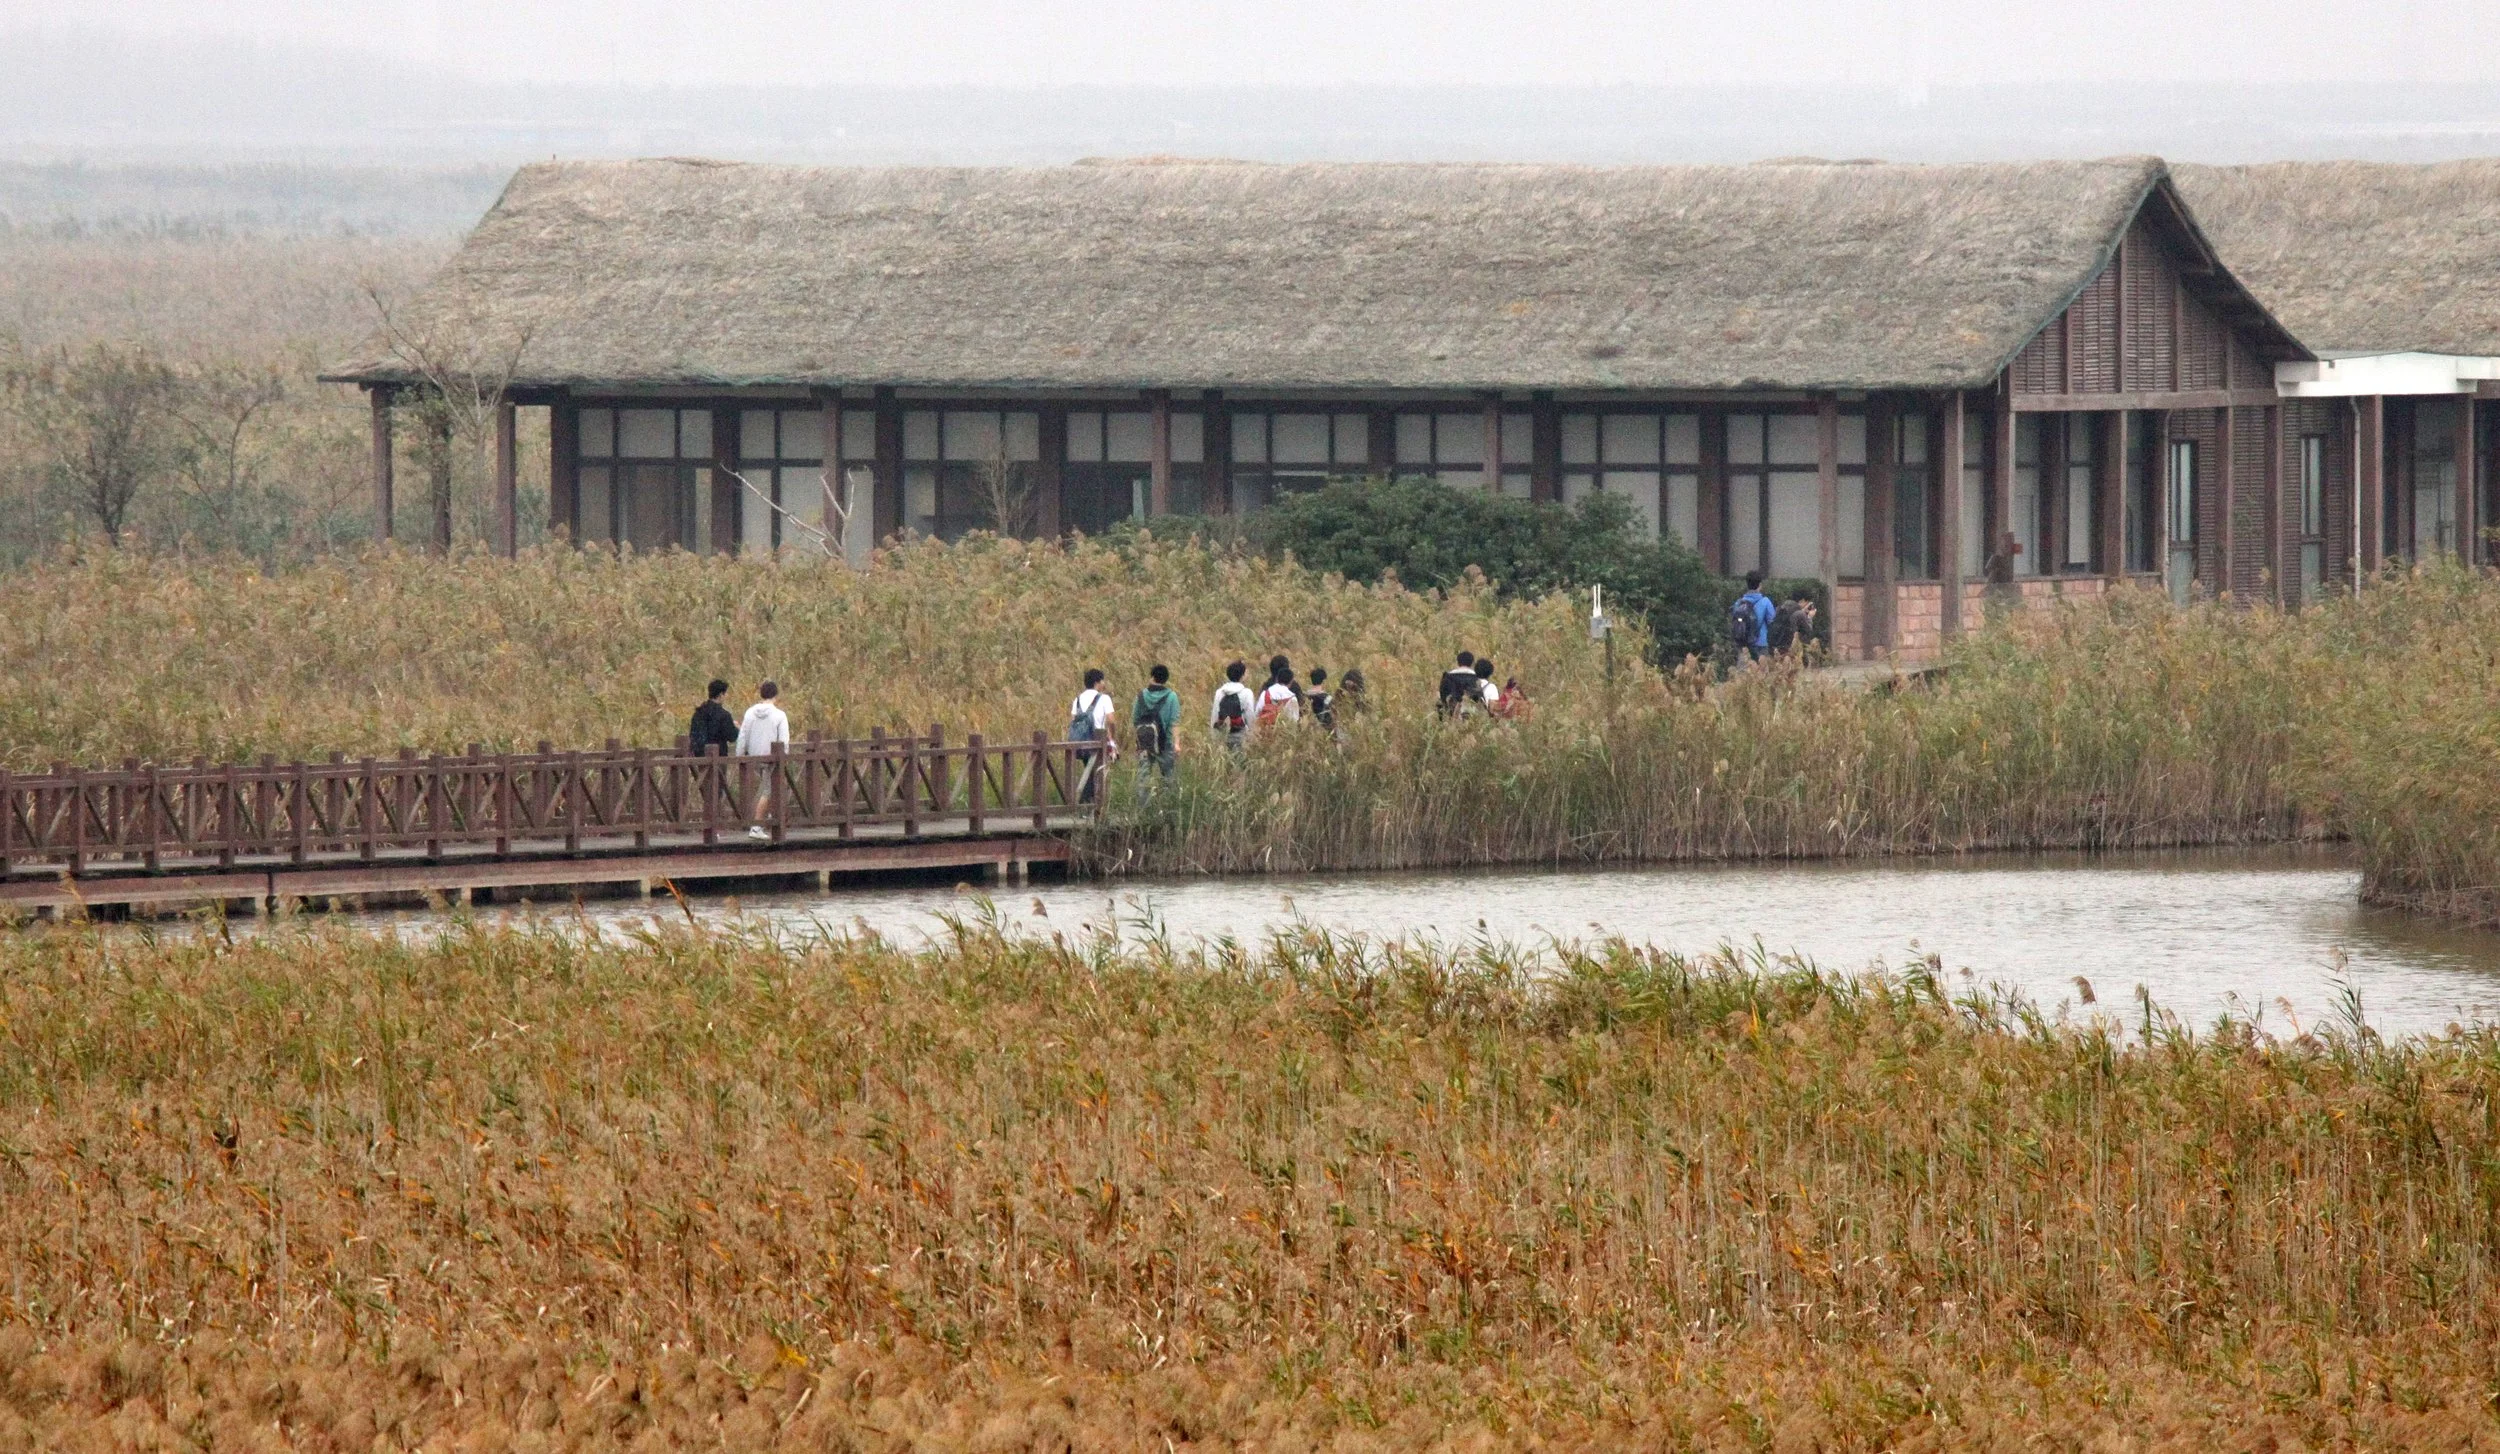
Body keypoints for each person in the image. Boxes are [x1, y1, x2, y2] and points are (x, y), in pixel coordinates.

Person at [735, 680, 790, 839]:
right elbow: (783, 741)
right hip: (772, 758)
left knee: (770, 788)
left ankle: (771, 818)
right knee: (769, 789)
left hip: (754, 756)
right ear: (775, 695)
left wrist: (740, 755)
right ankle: (757, 826)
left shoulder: (750, 713)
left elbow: (743, 735)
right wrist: (783, 757)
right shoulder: (779, 715)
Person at [1069, 668, 1116, 804]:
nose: (1104, 683)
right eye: (1102, 681)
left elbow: (1073, 720)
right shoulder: (1104, 698)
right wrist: (1112, 738)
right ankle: (1091, 805)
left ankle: (1087, 803)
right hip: (1097, 740)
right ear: (1097, 682)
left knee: (1089, 771)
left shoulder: (1077, 699)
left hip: (1080, 741)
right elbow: (1111, 720)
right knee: (1098, 773)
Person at [1130, 663, 1180, 788]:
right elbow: (1175, 722)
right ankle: (1168, 804)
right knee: (1168, 777)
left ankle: (1143, 805)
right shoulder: (1172, 696)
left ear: (1152, 677)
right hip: (1165, 743)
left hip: (1145, 743)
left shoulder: (1141, 696)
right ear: (1166, 679)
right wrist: (1177, 743)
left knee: (1143, 776)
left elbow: (1135, 719)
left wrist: (1141, 736)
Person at [1729, 571, 1776, 662]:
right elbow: (1772, 622)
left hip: (1743, 643)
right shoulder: (1765, 602)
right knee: (1762, 673)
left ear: (1747, 584)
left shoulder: (1739, 603)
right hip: (1761, 643)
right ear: (1760, 585)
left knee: (1744, 672)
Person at [1210, 659, 1255, 752]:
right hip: (1240, 734)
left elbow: (1215, 713)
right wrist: (1252, 734)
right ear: (1242, 676)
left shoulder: (1220, 692)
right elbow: (1250, 715)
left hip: (1223, 734)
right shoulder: (1247, 693)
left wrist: (1214, 735)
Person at [689, 678, 738, 757]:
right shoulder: (724, 715)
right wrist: (736, 727)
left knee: (702, 769)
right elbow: (732, 737)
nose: (726, 696)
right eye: (725, 694)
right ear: (720, 695)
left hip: (699, 758)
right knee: (718, 769)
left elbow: (693, 735)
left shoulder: (698, 713)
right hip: (719, 757)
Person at [1252, 659, 1301, 736]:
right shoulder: (1292, 698)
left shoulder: (1265, 693)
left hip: (1266, 733)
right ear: (1291, 681)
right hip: (1283, 735)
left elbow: (1257, 713)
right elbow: (1294, 720)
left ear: (1277, 679)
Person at [1437, 651, 1480, 716]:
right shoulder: (1476, 678)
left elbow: (1442, 695)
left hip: (1450, 713)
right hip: (1470, 714)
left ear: (1458, 662)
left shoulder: (1448, 676)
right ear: (1472, 663)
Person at [1305, 667, 1335, 734]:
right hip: (1324, 729)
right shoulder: (1328, 698)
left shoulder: (1305, 696)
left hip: (1309, 729)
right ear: (1324, 681)